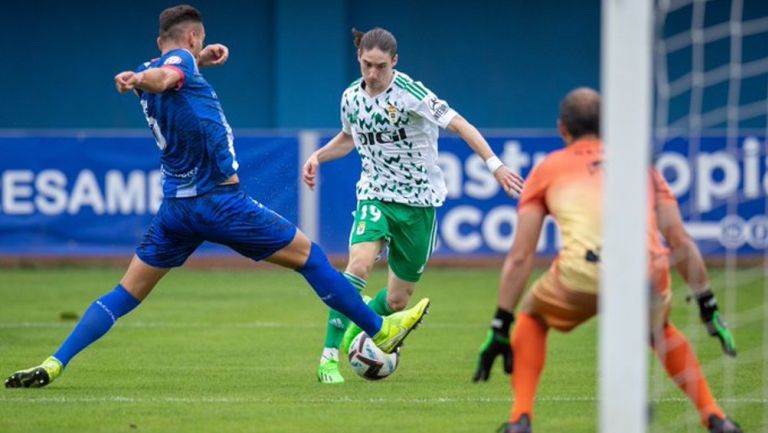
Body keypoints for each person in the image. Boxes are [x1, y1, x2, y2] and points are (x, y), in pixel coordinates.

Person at [4, 5, 430, 389]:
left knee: (124, 294)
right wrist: (155, 74)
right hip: (220, 203)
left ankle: (55, 362)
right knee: (313, 259)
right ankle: (378, 329)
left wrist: (166, 70)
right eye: (200, 42)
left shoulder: (162, 65)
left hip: (177, 210)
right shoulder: (171, 68)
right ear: (191, 39)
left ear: (161, 42)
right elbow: (168, 76)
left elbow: (166, 76)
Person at [472, 88, 741, 433]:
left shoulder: (548, 168)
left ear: (562, 129)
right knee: (659, 330)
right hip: (645, 272)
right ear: (606, 126)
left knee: (533, 316)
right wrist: (708, 303)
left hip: (582, 273)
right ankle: (714, 417)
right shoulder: (639, 168)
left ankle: (519, 419)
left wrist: (500, 324)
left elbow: (522, 255)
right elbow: (680, 241)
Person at [302, 27, 524, 384]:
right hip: (374, 194)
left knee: (396, 302)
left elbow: (461, 125)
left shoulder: (411, 93)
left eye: (379, 66)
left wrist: (495, 166)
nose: (372, 74)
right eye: (365, 65)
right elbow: (349, 138)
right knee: (357, 265)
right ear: (358, 59)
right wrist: (318, 156)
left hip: (419, 203)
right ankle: (328, 359)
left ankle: (352, 332)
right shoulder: (350, 98)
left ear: (394, 62)